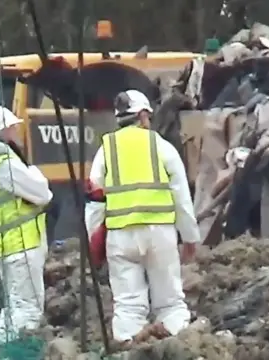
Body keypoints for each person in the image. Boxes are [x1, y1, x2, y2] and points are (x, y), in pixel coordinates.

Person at [85, 89, 201, 345]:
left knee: (127, 304)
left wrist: (96, 240)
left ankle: (130, 344)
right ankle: (176, 342)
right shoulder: (161, 146)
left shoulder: (106, 150)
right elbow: (181, 196)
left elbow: (94, 201)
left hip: (120, 236)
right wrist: (190, 238)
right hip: (159, 233)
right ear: (143, 115)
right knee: (170, 300)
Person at [0, 105, 53, 343]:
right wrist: (35, 173)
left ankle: (2, 351)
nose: (18, 131)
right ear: (4, 131)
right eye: (14, 127)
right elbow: (43, 193)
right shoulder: (2, 163)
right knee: (28, 310)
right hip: (21, 247)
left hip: (7, 248)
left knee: (13, 306)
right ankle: (19, 352)